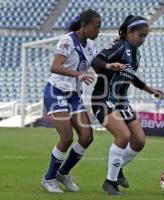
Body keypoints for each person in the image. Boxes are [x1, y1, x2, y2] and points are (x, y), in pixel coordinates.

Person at [91, 15, 164, 195]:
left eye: (145, 36)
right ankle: (110, 182)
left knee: (139, 140)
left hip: (122, 102)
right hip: (103, 99)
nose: (143, 39)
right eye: (140, 35)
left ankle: (118, 169)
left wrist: (149, 89)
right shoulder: (119, 47)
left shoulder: (135, 53)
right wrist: (109, 66)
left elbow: (131, 77)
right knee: (123, 135)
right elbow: (96, 62)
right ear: (129, 32)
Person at [41, 9, 101, 193]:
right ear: (84, 26)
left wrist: (109, 64)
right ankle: (48, 178)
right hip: (56, 91)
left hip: (74, 95)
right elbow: (55, 66)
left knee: (87, 136)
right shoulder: (67, 41)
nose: (98, 31)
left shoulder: (90, 46)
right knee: (66, 137)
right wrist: (78, 74)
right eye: (96, 27)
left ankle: (63, 173)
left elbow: (95, 65)